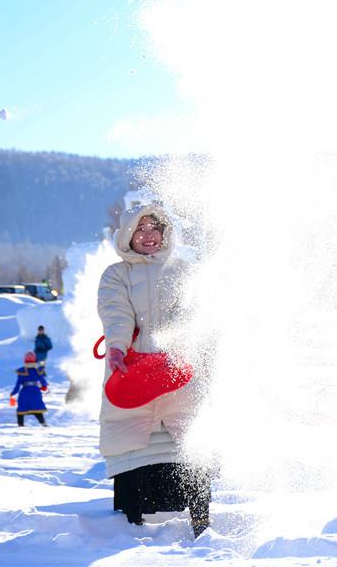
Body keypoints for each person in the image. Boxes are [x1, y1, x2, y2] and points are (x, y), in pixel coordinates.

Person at [97, 203, 210, 538]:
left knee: (188, 439)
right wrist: (117, 347)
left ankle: (200, 519)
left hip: (179, 366)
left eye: (154, 229)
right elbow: (115, 313)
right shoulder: (116, 274)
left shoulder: (184, 270)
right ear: (128, 234)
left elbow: (196, 314)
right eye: (141, 229)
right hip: (133, 367)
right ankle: (132, 526)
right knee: (134, 440)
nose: (148, 236)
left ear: (165, 234)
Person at [10, 352, 49, 426]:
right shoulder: (37, 370)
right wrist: (44, 387)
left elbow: (17, 385)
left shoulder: (22, 371)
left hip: (25, 392)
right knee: (37, 408)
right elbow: (43, 381)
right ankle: (43, 423)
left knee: (21, 409)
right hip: (35, 392)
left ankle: (20, 425)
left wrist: (13, 393)